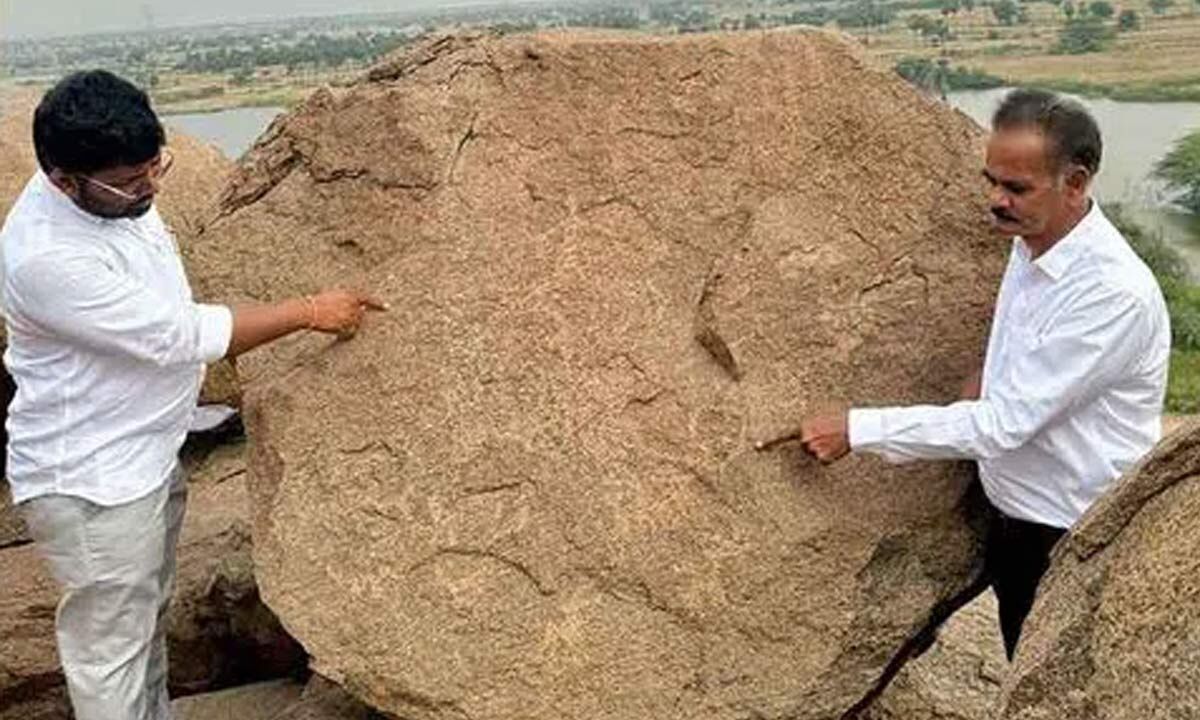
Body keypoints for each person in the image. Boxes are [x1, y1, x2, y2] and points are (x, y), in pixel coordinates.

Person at [1, 69, 383, 720]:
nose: (149, 188)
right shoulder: (47, 257)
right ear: (63, 180)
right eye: (130, 182)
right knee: (112, 657)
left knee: (143, 624)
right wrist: (310, 311)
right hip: (94, 483)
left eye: (156, 167)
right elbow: (180, 335)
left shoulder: (110, 193)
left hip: (147, 454)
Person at [784, 88, 1170, 659]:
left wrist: (857, 430)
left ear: (1075, 183)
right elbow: (1030, 338)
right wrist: (992, 370)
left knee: (1052, 682)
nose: (996, 200)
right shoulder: (1034, 240)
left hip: (1070, 533)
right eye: (991, 181)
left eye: (1015, 188)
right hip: (1015, 516)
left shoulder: (1111, 294)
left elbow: (1003, 426)